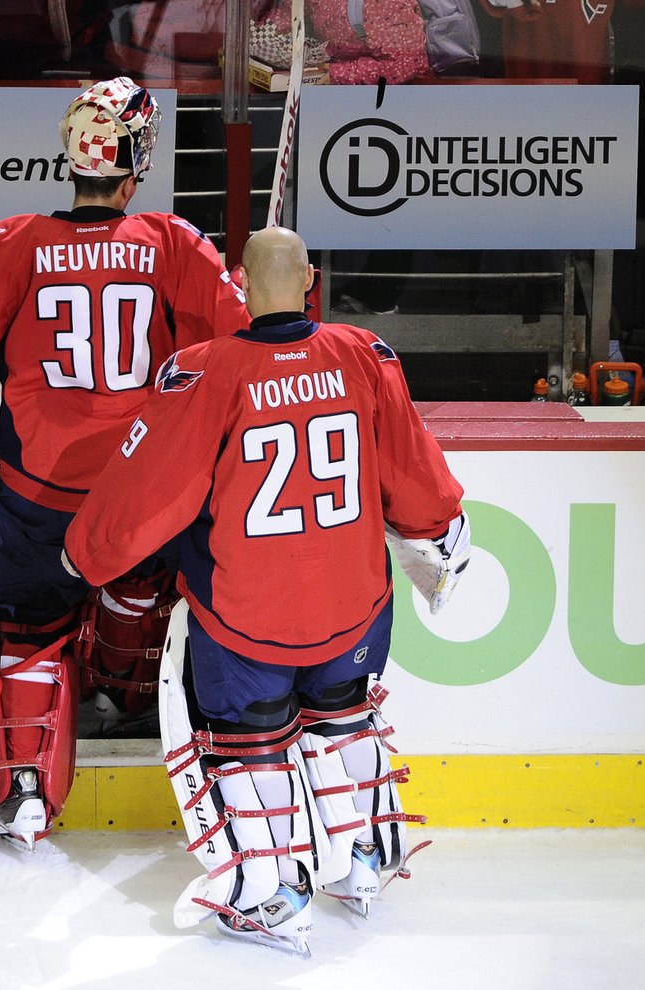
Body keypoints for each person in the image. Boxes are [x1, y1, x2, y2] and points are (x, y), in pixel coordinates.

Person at [62, 226, 469, 956]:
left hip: (247, 616)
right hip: (354, 608)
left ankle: (273, 894)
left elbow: (152, 492)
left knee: (249, 743)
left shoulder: (203, 372)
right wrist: (439, 528)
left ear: (239, 282)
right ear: (311, 278)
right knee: (344, 718)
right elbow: (414, 473)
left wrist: (83, 553)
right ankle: (366, 863)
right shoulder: (365, 355)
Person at [0, 76, 250, 850]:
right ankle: (125, 690)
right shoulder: (175, 244)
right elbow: (238, 351)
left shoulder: (9, 244)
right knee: (148, 592)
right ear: (137, 158)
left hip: (40, 492)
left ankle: (26, 793)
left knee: (29, 633)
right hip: (141, 494)